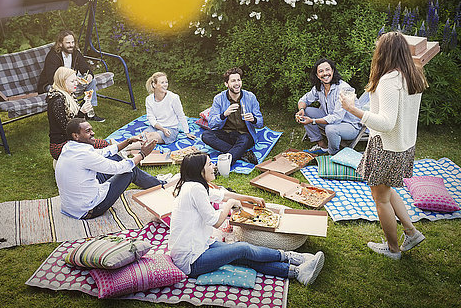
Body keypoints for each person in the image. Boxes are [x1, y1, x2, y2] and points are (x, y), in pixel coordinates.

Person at [168, 152, 325, 285]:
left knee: (244, 256)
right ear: (200, 170)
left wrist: (250, 198)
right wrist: (230, 204)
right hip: (191, 261)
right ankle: (292, 257)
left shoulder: (194, 186)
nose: (214, 166)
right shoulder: (195, 189)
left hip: (201, 246)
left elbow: (224, 195)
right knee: (243, 248)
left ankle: (296, 272)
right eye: (210, 164)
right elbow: (216, 222)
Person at [341, 32, 427, 260]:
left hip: (386, 146)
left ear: (384, 52)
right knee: (387, 191)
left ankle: (393, 249)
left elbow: (387, 123)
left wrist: (353, 110)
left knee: (380, 198)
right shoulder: (413, 73)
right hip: (404, 145)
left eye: (377, 47)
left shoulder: (390, 80)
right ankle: (411, 232)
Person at [55, 118, 163, 220]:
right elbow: (119, 168)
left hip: (70, 208)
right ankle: (162, 186)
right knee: (130, 170)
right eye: (88, 131)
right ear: (76, 136)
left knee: (114, 157)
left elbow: (103, 153)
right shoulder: (84, 155)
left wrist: (128, 141)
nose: (93, 133)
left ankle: (155, 182)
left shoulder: (69, 148)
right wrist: (142, 154)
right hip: (89, 209)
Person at [295, 58, 362, 155]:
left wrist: (312, 121)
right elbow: (303, 100)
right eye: (321, 71)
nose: (325, 73)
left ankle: (333, 154)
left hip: (350, 126)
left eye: (327, 70)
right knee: (306, 111)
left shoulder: (343, 88)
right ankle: (322, 146)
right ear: (317, 76)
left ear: (333, 71)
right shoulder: (320, 87)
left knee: (330, 129)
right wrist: (301, 109)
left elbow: (337, 118)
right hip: (331, 120)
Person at [38, 30, 105, 122]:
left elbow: (85, 68)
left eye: (73, 42)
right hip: (51, 84)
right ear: (60, 44)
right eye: (68, 43)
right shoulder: (53, 55)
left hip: (70, 81)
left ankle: (89, 111)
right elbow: (52, 79)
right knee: (59, 89)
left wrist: (89, 75)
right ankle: (70, 114)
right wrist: (71, 81)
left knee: (92, 81)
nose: (71, 45)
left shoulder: (75, 53)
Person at [201, 67, 263, 166]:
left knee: (245, 139)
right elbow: (212, 123)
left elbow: (260, 123)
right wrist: (224, 114)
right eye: (233, 81)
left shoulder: (250, 97)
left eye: (239, 80)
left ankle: (224, 164)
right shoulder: (218, 99)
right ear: (227, 84)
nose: (237, 83)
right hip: (226, 134)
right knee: (206, 135)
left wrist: (253, 119)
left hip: (244, 135)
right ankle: (242, 153)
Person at [46, 67, 109, 160]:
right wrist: (81, 112)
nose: (76, 84)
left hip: (72, 140)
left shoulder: (68, 95)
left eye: (76, 80)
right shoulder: (57, 101)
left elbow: (77, 122)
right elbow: (68, 129)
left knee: (103, 144)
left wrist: (84, 108)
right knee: (103, 146)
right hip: (61, 146)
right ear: (62, 82)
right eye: (72, 81)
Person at [143, 72, 195, 144]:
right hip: (156, 127)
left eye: (166, 82)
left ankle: (127, 150)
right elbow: (151, 118)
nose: (165, 85)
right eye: (162, 82)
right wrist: (162, 129)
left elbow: (181, 115)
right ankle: (127, 151)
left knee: (150, 138)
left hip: (171, 129)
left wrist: (187, 132)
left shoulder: (173, 98)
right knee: (142, 136)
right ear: (154, 85)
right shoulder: (149, 99)